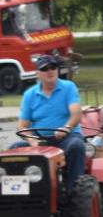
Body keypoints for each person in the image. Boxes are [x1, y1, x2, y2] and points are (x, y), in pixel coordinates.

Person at [16, 52, 86, 189]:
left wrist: (66, 128)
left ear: (57, 70)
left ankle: (74, 190)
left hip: (67, 137)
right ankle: (19, 192)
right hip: (40, 141)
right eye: (44, 69)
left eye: (53, 67)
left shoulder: (69, 87)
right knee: (13, 150)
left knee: (76, 146)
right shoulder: (30, 94)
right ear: (38, 74)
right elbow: (22, 126)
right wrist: (32, 140)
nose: (50, 71)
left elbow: (76, 114)